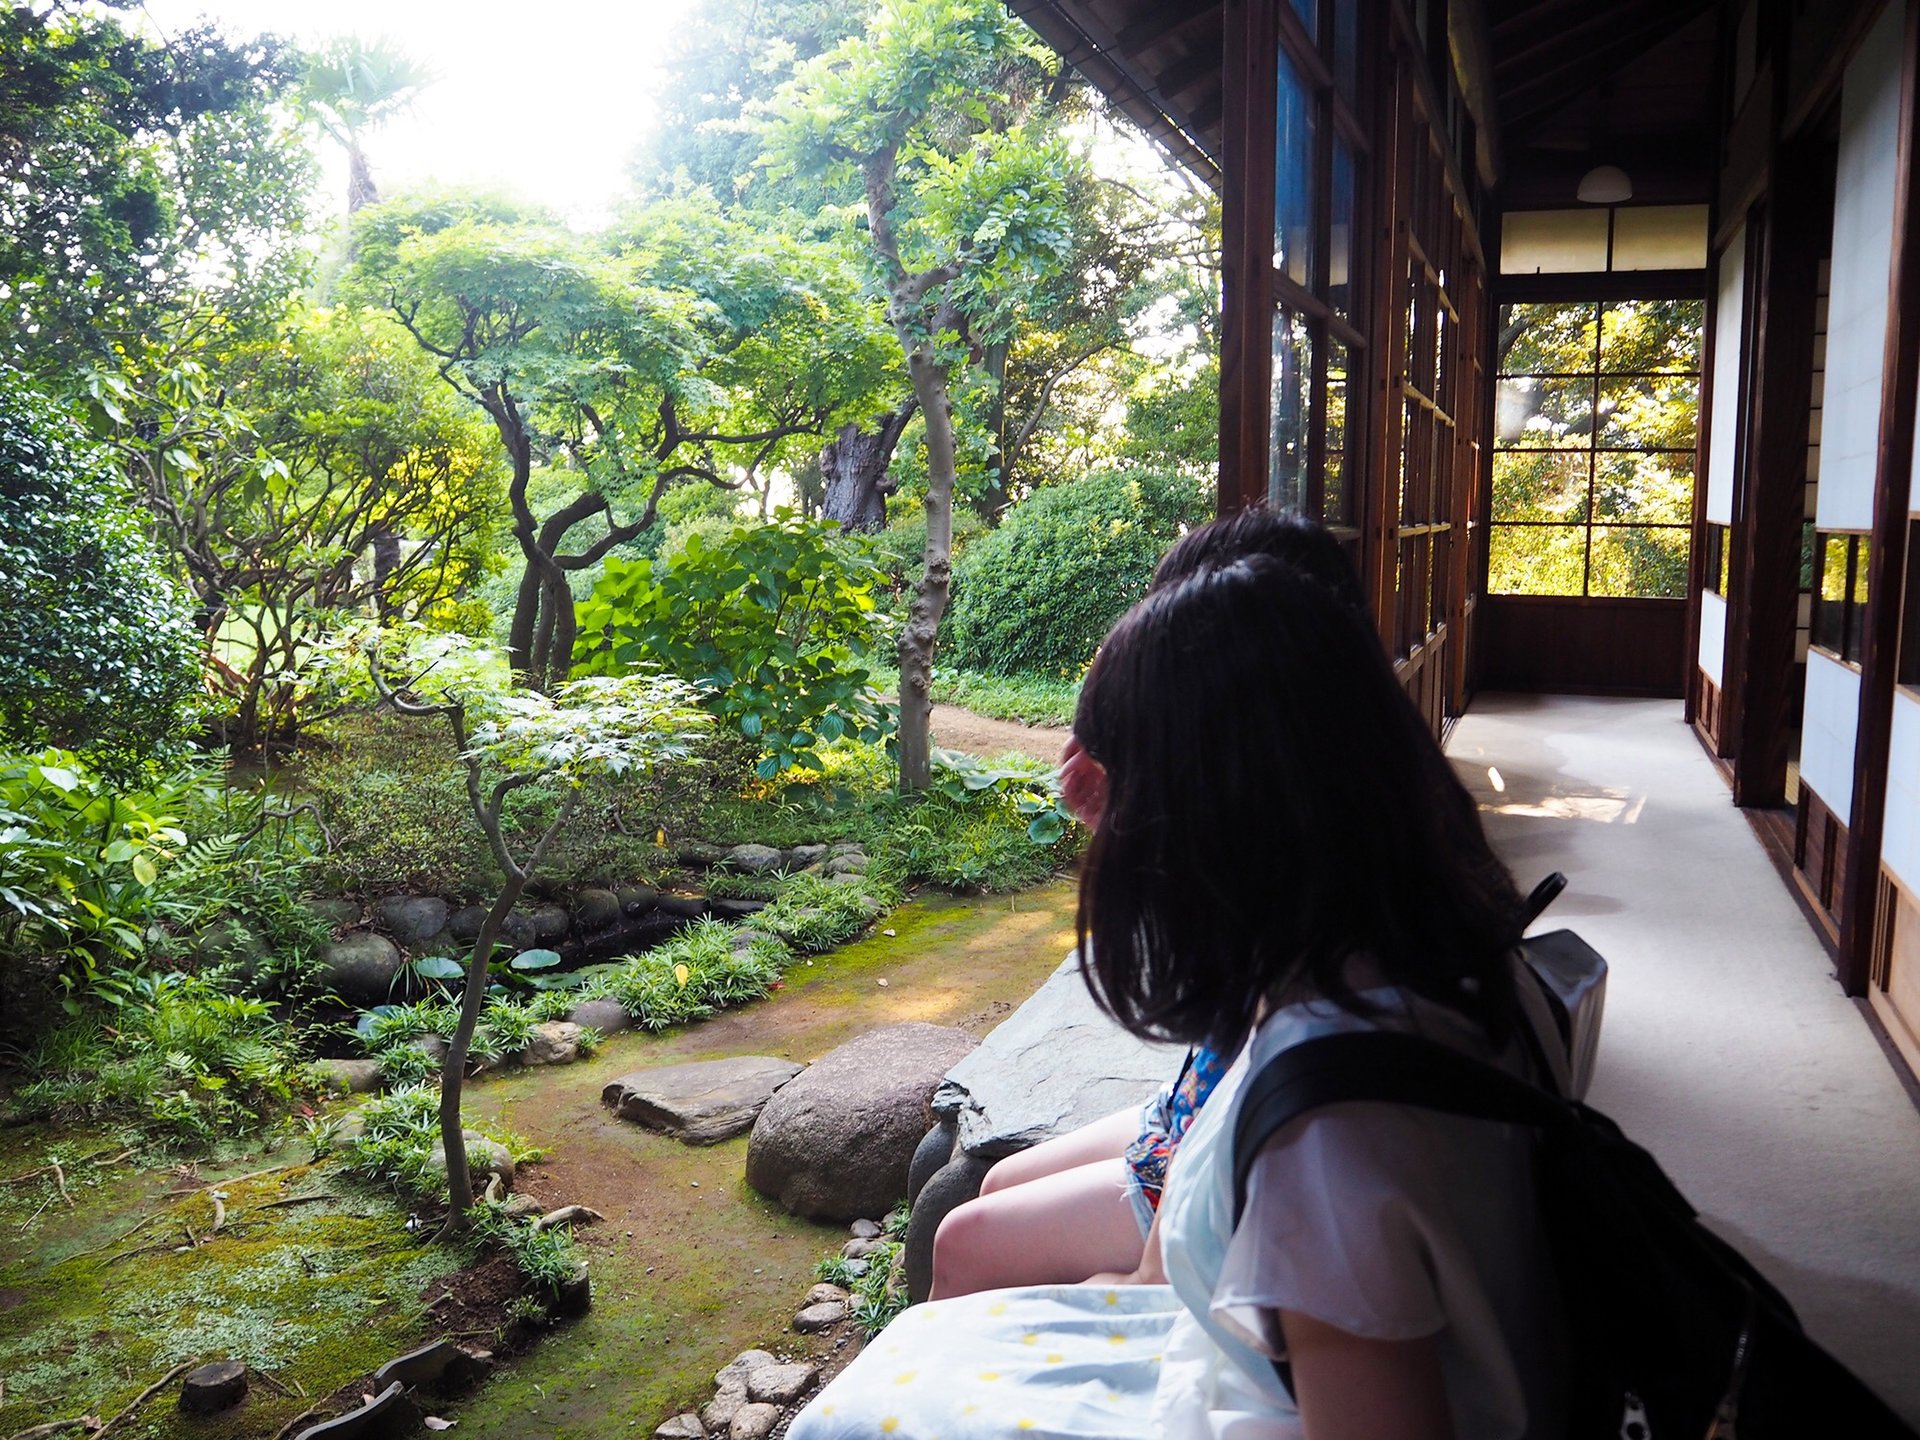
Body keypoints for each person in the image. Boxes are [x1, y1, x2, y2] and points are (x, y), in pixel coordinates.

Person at [791, 519, 1566, 1440]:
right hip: (1242, 1362)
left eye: (1128, 801)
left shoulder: (1326, 1130)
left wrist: (1128, 1294)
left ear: (1205, 823)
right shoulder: (1410, 943)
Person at [928, 511, 1370, 1300]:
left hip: (1230, 1139)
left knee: (965, 1238)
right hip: (1204, 1104)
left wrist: (1119, 1288)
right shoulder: (1328, 804)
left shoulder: (1299, 881)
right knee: (993, 1191)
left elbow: (1219, 1010)